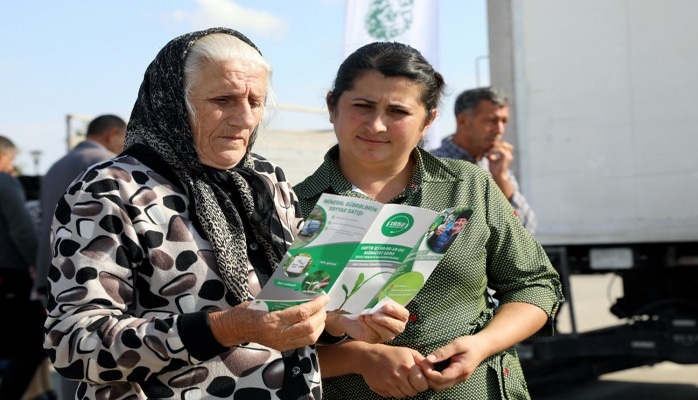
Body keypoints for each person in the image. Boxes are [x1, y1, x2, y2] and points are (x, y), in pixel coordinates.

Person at [43, 28, 407, 400]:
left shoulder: (267, 181)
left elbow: (290, 302)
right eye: (223, 100)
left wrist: (338, 320)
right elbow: (73, 343)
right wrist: (226, 328)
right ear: (172, 101)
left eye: (256, 101)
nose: (246, 119)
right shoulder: (112, 190)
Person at [293, 42, 564, 399]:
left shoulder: (469, 185)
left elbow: (535, 285)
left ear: (429, 120)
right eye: (363, 106)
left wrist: (482, 345)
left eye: (397, 111)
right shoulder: (292, 206)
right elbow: (263, 340)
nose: (376, 125)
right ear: (332, 106)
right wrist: (360, 358)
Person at [33, 114, 126, 400]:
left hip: (52, 274)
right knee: (94, 354)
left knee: (65, 351)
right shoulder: (105, 166)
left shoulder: (55, 167)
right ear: (112, 134)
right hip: (92, 274)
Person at [430, 87, 537, 234]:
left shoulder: (494, 167)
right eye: (492, 121)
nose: (499, 130)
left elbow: (526, 229)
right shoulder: (430, 165)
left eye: (504, 121)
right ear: (463, 122)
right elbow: (435, 237)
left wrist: (501, 178)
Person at [0, 136, 45, 399]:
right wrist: (38, 265)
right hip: (10, 275)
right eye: (11, 160)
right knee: (32, 344)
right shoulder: (5, 182)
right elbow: (22, 231)